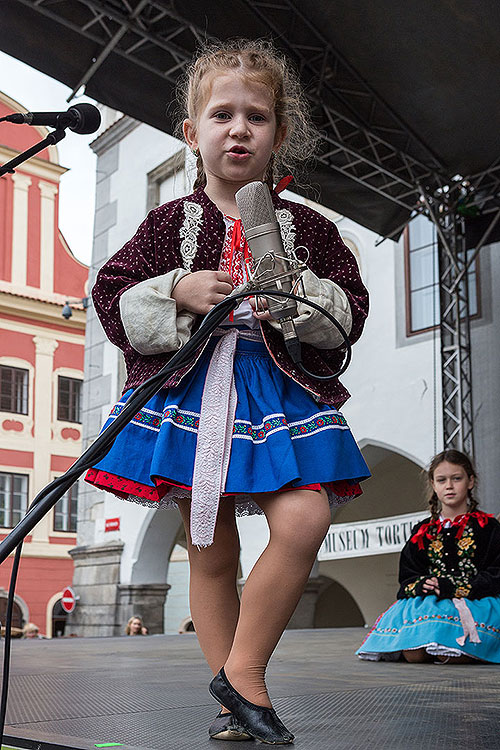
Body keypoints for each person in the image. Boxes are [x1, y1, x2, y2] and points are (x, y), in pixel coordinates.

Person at [86, 38, 369, 744]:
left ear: (279, 133)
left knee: (304, 518)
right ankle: (234, 708)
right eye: (222, 115)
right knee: (209, 549)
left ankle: (244, 676)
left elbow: (351, 310)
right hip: (195, 388)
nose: (238, 128)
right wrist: (176, 290)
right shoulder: (168, 224)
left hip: (277, 389)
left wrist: (303, 300)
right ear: (193, 133)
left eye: (256, 116)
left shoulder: (309, 228)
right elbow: (112, 292)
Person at [357, 449, 500, 664]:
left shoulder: (488, 527)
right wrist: (424, 584)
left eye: (456, 478)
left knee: (445, 652)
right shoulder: (423, 531)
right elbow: (407, 576)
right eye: (441, 480)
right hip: (432, 602)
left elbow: (496, 573)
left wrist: (456, 587)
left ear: (470, 482)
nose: (449, 486)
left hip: (477, 601)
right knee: (413, 654)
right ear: (434, 485)